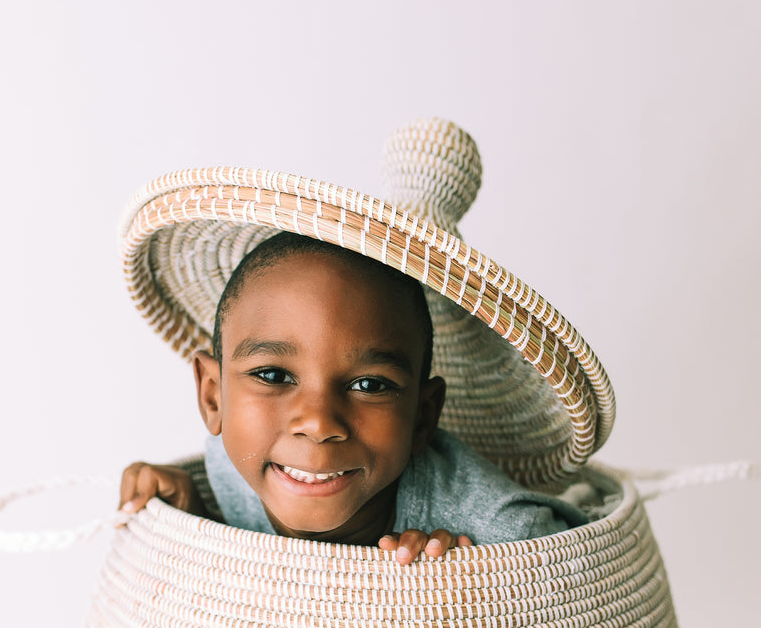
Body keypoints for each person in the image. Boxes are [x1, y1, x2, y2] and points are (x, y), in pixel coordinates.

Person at [118, 233, 586, 563]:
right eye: (274, 375)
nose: (319, 422)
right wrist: (192, 519)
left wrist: (472, 593)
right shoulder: (228, 465)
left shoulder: (503, 533)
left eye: (370, 385)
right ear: (214, 397)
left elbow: (580, 585)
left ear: (423, 419)